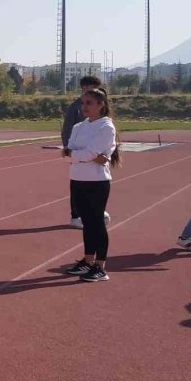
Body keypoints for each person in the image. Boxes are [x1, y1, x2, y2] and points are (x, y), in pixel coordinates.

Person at [63, 88, 120, 282]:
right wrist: (86, 156)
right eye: (82, 103)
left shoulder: (106, 126)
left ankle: (100, 266)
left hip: (97, 182)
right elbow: (68, 152)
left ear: (100, 105)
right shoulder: (78, 126)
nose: (84, 106)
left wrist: (80, 155)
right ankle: (87, 261)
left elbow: (86, 153)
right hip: (77, 178)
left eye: (89, 103)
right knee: (87, 223)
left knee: (96, 222)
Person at [62, 75, 105, 229]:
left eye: (94, 89)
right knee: (78, 184)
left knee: (95, 182)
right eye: (88, 88)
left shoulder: (101, 106)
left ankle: (95, 211)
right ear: (83, 89)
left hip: (96, 150)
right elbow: (67, 128)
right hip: (79, 151)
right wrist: (68, 150)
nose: (90, 91)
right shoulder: (75, 107)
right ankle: (75, 215)